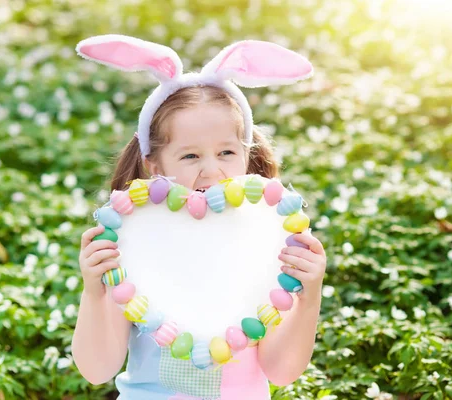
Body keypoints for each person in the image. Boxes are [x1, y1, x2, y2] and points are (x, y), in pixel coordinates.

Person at [71, 34, 327, 400]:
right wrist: (94, 291)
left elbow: (281, 371)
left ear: (247, 154)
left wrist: (309, 294)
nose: (212, 171)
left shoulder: (266, 237)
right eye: (190, 156)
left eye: (226, 152)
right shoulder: (131, 241)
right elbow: (97, 369)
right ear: (153, 164)